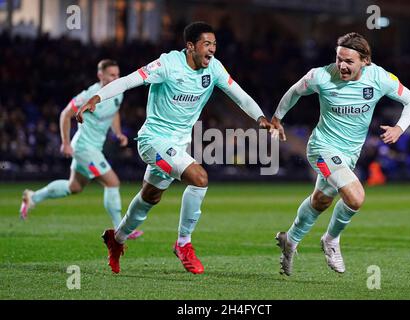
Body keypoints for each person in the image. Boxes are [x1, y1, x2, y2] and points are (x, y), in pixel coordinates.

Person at [75, 22, 274, 274]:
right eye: (206, 44)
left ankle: (117, 239)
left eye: (214, 44)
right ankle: (183, 244)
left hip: (178, 145)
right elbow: (127, 81)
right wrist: (97, 97)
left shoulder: (213, 68)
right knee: (199, 178)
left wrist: (260, 118)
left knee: (150, 197)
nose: (212, 49)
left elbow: (240, 94)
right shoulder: (167, 65)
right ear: (190, 46)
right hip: (153, 141)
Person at [271, 32, 410, 276]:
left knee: (321, 201)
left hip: (349, 154)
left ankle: (291, 239)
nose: (342, 65)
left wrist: (399, 128)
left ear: (365, 61)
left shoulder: (379, 78)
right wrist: (278, 118)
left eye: (349, 61)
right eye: (339, 58)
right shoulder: (320, 76)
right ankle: (331, 240)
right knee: (355, 197)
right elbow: (295, 91)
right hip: (322, 148)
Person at [20, 59, 143, 240]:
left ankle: (33, 197)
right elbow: (65, 114)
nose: (117, 78)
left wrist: (117, 133)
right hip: (84, 148)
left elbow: (114, 111)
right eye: (112, 75)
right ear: (100, 75)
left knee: (74, 187)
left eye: (118, 74)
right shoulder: (89, 95)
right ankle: (120, 228)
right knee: (112, 182)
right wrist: (65, 143)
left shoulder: (118, 92)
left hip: (93, 148)